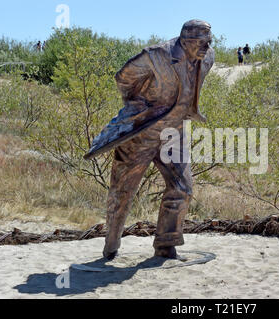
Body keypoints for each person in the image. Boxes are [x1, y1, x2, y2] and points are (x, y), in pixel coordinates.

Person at [84, 20, 215, 260]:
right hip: (141, 134)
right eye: (202, 42)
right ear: (185, 41)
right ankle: (111, 245)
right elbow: (124, 78)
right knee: (123, 190)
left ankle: (166, 245)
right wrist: (139, 108)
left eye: (210, 41)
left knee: (182, 187)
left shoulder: (207, 57)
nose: (207, 47)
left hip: (174, 133)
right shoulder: (157, 55)